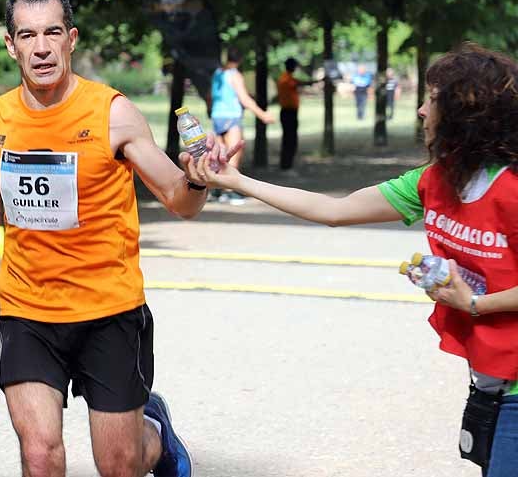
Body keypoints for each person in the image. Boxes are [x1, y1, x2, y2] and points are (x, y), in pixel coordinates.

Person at [0, 0, 221, 477]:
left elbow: (178, 200)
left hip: (109, 309)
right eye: (27, 35)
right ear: (10, 43)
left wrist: (196, 177)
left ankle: (157, 435)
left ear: (72, 39)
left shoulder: (112, 114)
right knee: (39, 455)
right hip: (27, 310)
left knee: (119, 464)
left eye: (52, 32)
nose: (41, 48)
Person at [190, 42, 518, 476]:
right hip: (491, 379)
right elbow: (334, 210)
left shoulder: (511, 188)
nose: (421, 110)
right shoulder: (433, 181)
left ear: (464, 115)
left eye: (432, 100)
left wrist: (474, 304)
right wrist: (236, 180)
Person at [209, 47, 275, 204]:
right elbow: (244, 99)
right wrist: (263, 115)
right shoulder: (235, 75)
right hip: (231, 117)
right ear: (239, 60)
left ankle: (217, 190)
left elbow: (210, 96)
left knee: (219, 155)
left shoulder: (217, 74)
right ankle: (230, 192)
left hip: (217, 116)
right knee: (233, 155)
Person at [275, 57, 317, 173]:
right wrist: (316, 81)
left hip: (290, 112)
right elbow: (299, 83)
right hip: (288, 112)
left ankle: (288, 164)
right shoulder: (286, 79)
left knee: (290, 138)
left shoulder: (288, 78)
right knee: (289, 139)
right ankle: (286, 165)